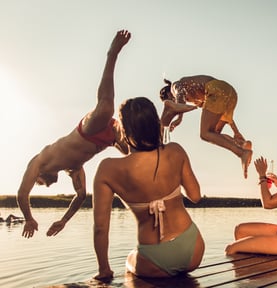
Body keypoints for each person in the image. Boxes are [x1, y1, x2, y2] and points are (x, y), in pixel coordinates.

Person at [16, 30, 131, 239]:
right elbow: (81, 196)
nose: (45, 185)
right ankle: (165, 119)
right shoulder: (74, 169)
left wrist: (28, 218)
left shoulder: (40, 160)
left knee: (105, 107)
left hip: (86, 131)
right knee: (137, 155)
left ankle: (112, 54)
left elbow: (22, 194)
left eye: (40, 183)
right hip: (109, 139)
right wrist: (63, 220)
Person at [93, 97, 205, 280]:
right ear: (155, 123)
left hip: (154, 261)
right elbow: (195, 196)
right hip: (193, 249)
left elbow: (100, 228)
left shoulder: (108, 170)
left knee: (130, 260)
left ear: (123, 129)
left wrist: (104, 270)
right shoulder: (175, 151)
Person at [159, 75, 253, 178]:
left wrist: (179, 118)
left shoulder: (175, 86)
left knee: (205, 133)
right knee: (214, 134)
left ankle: (241, 153)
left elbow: (179, 96)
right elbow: (220, 112)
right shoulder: (197, 98)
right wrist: (236, 131)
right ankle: (241, 144)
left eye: (169, 102)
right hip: (230, 92)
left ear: (169, 94)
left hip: (217, 90)